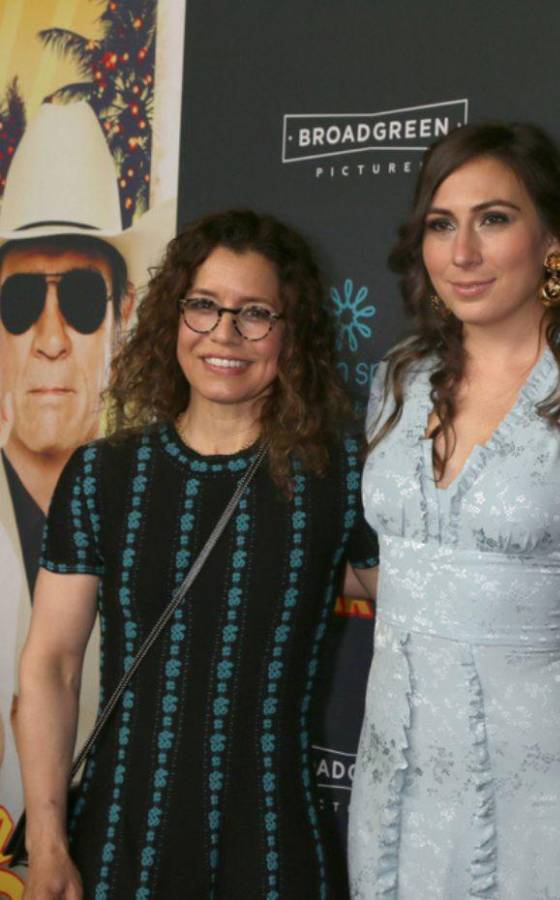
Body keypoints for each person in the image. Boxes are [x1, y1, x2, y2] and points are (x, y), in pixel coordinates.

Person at [15, 209, 378, 899]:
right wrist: (48, 844)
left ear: (293, 332)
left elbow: (429, 602)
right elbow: (51, 666)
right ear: (172, 315)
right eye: (204, 305)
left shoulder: (338, 476)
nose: (224, 334)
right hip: (122, 842)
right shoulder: (103, 475)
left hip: (275, 846)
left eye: (256, 313)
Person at [347, 122, 560, 898]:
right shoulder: (397, 381)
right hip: (395, 762)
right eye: (441, 224)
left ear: (555, 238)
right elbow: (406, 574)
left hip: (546, 772)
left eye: (493, 219)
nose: (463, 253)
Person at [0, 102, 172, 818]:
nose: (49, 339)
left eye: (78, 298)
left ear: (123, 315)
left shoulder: (166, 501)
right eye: (18, 302)